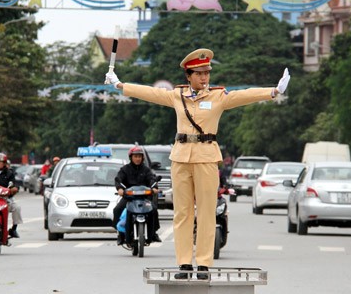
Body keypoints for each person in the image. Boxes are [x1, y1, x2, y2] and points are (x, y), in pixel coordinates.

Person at [105, 48, 291, 280]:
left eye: (207, 73)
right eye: (200, 74)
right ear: (189, 75)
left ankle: (203, 264)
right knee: (182, 214)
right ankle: (184, 263)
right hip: (181, 157)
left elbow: (244, 95)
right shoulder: (177, 95)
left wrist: (273, 91)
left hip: (206, 157)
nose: (205, 78)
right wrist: (121, 85)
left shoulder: (218, 97)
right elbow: (151, 93)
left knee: (205, 213)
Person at [113, 146, 162, 246]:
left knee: (154, 210)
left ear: (142, 158)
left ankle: (153, 233)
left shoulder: (147, 170)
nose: (138, 158)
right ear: (131, 157)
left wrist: (154, 187)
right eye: (135, 156)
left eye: (140, 156)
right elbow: (119, 179)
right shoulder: (124, 169)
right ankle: (120, 234)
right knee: (117, 209)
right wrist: (120, 189)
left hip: (144, 198)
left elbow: (152, 180)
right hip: (129, 198)